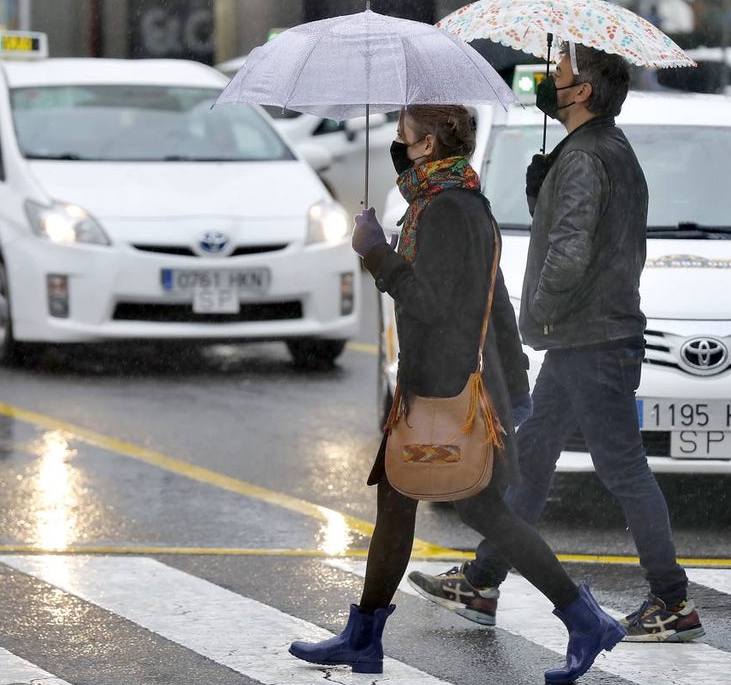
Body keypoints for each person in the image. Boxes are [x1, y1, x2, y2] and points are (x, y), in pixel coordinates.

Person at [287, 104, 625, 682]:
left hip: (448, 391)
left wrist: (376, 253)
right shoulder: (456, 202)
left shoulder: (446, 210)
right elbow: (494, 298)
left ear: (427, 145)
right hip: (445, 383)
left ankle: (583, 617)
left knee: (482, 510)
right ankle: (364, 637)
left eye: (403, 136)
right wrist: (516, 379)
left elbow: (431, 302)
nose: (397, 145)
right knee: (398, 502)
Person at [409, 44, 704, 644]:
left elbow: (569, 253)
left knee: (623, 469)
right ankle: (482, 582)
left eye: (560, 75)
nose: (549, 81)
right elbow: (590, 232)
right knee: (533, 459)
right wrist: (541, 193)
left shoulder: (587, 157)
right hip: (588, 339)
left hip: (592, 340)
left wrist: (535, 314)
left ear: (583, 93)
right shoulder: (603, 150)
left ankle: (673, 601)